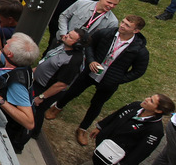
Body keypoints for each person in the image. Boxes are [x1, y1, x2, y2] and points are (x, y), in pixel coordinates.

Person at [50, 14, 149, 147]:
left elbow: (139, 71)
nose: (122, 25)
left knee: (97, 104)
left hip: (109, 81)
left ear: (136, 31)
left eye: (127, 25)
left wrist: (118, 79)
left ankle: (83, 128)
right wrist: (91, 61)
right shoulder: (107, 33)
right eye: (123, 22)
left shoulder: (139, 50)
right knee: (73, 91)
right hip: (91, 72)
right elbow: (90, 44)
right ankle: (58, 106)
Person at [76, 94, 175, 165]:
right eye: (149, 97)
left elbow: (143, 151)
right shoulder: (135, 106)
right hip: (106, 145)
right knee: (97, 161)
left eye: (151, 101)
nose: (146, 99)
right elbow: (116, 114)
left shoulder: (155, 130)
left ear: (158, 110)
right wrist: (100, 127)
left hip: (118, 157)